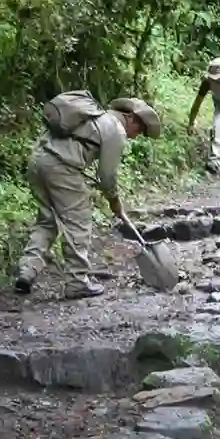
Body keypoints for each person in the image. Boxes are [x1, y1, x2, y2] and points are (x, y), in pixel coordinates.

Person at [14, 96, 161, 299]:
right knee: (78, 222)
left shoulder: (92, 117)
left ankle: (27, 271)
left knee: (47, 221)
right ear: (132, 118)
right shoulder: (115, 129)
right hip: (62, 168)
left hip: (37, 161)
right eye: (140, 130)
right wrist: (115, 201)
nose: (136, 136)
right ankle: (77, 282)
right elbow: (107, 176)